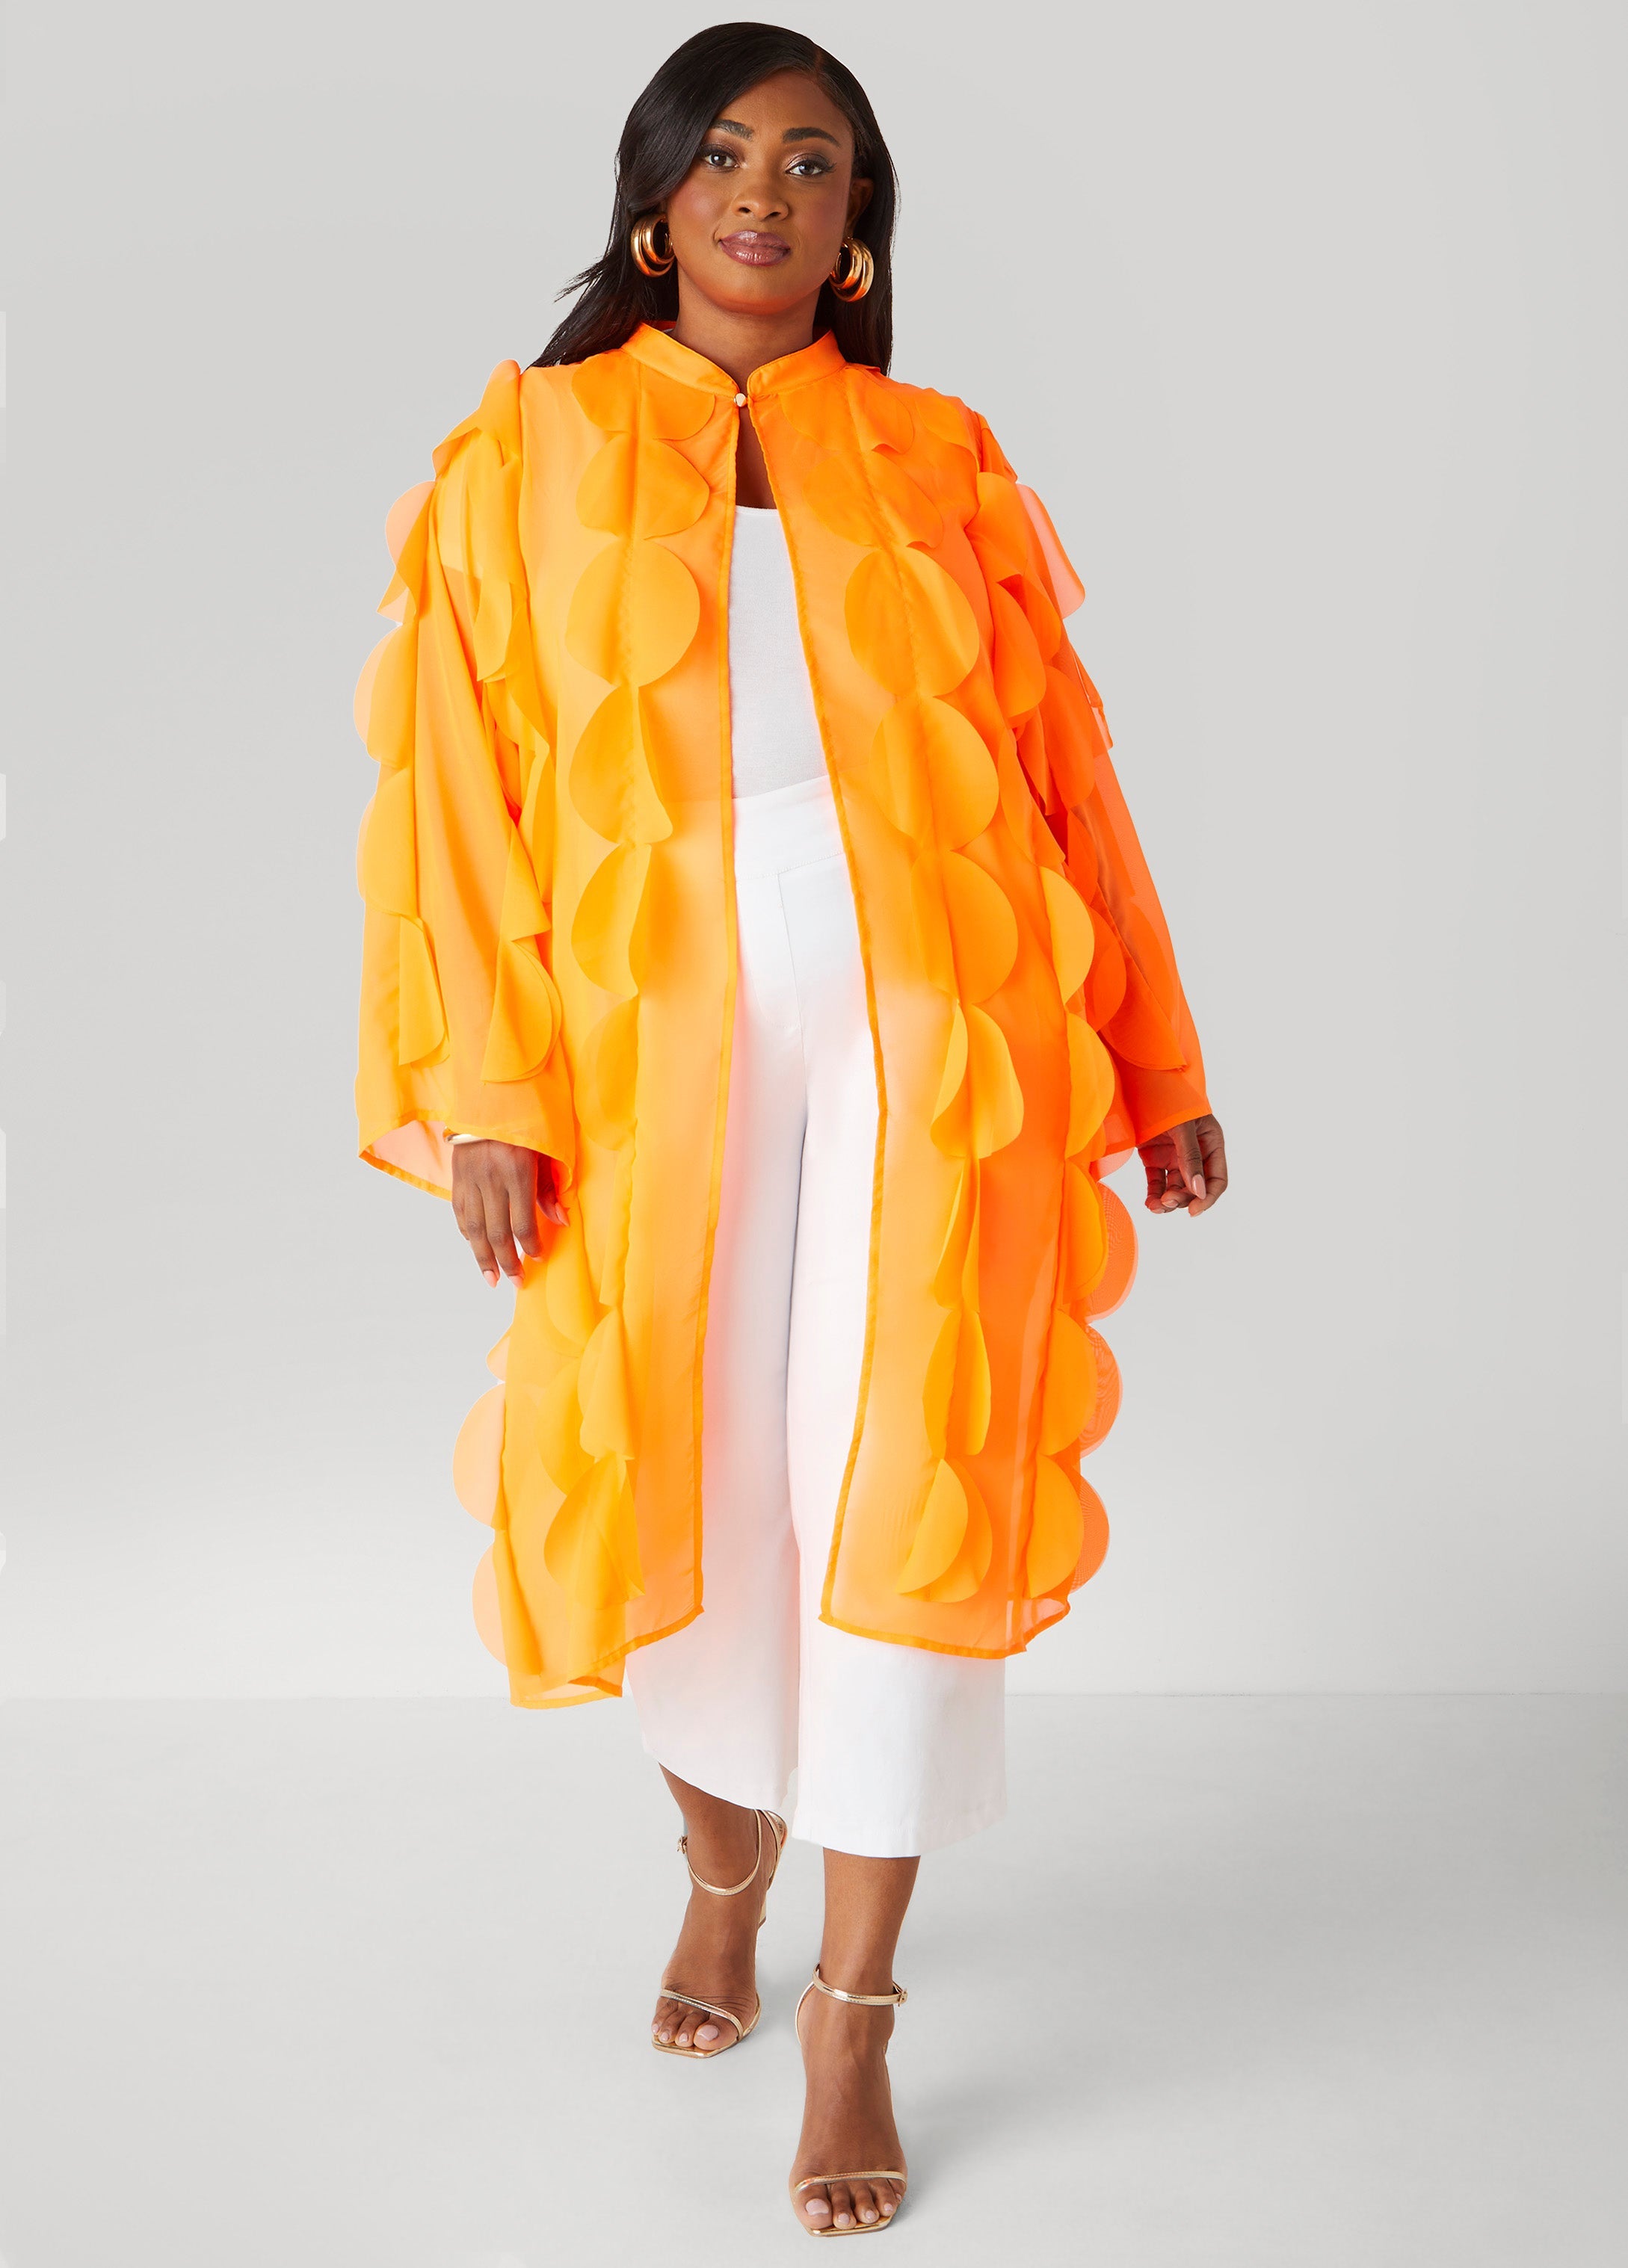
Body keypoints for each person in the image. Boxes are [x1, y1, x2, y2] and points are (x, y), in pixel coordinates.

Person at [354, 22, 1227, 2237]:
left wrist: (1156, 1059)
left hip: (940, 1036)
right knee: (682, 1464)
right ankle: (719, 1870)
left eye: (815, 162)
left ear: (859, 230)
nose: (767, 189)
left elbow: (1063, 764)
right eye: (727, 152)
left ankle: (854, 2010)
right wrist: (484, 1087)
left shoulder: (936, 456)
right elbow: (456, 797)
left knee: (898, 1469)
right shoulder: (525, 452)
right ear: (657, 202)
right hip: (644, 1051)